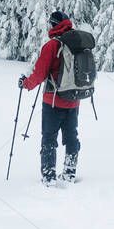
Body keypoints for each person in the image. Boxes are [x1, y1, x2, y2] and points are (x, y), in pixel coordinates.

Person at [20, 10, 82, 186]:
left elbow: (39, 73)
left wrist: (26, 84)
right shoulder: (76, 42)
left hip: (53, 101)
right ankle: (70, 172)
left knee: (49, 138)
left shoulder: (52, 46)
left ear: (54, 25)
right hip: (73, 100)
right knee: (71, 137)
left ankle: (48, 175)